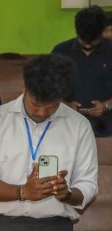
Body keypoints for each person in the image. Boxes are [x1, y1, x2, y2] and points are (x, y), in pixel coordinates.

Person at [0, 54, 98, 231]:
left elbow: (88, 184)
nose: (41, 113)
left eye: (51, 107)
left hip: (55, 230)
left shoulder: (79, 126)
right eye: (36, 104)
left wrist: (66, 194)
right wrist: (23, 192)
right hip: (0, 227)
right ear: (24, 87)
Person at [52, 5, 112, 137]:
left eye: (93, 41)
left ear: (102, 31)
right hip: (66, 125)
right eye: (84, 40)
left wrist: (106, 106)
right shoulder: (60, 52)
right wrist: (64, 105)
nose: (88, 45)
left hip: (108, 127)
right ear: (76, 30)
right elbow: (47, 88)